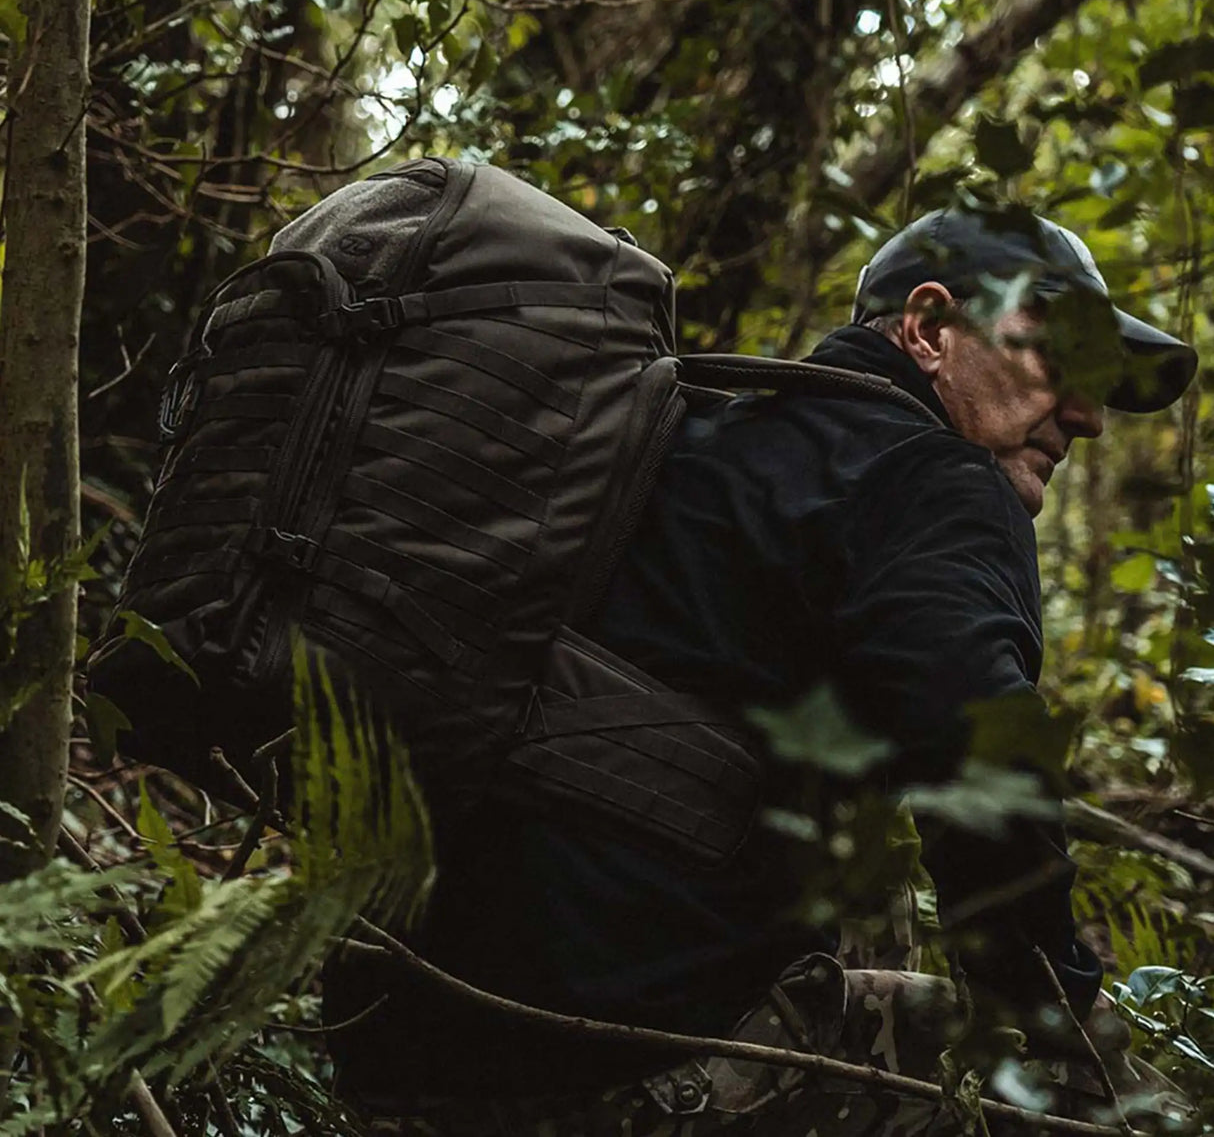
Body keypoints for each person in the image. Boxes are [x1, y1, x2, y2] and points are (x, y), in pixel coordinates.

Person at [325, 208, 1197, 1133]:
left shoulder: (686, 439)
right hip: (620, 1082)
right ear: (930, 329)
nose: (1088, 418)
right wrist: (1068, 1033)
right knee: (1112, 1109)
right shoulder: (932, 478)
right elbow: (986, 778)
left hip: (395, 1055)